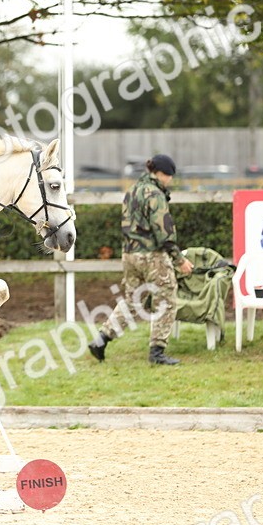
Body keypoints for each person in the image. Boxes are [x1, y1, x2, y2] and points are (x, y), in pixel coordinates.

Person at [88, 154, 194, 366]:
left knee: (132, 301)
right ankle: (157, 351)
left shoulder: (132, 190)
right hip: (151, 255)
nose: (170, 180)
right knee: (167, 298)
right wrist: (179, 259)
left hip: (129, 255)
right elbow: (163, 231)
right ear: (163, 173)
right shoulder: (155, 194)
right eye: (170, 176)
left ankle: (102, 338)